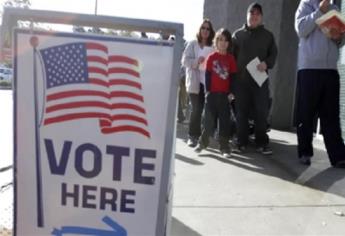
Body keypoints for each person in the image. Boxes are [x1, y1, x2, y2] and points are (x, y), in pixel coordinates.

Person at [294, 0, 345, 167]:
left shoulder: (335, 9)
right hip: (309, 68)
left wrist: (339, 38)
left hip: (330, 69)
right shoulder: (305, 5)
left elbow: (341, 40)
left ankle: (338, 156)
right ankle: (305, 152)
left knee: (331, 115)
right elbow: (301, 30)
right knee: (306, 113)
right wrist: (319, 12)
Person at [232, 2, 277, 155]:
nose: (254, 16)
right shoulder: (237, 35)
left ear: (261, 17)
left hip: (260, 81)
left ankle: (261, 143)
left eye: (257, 14)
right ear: (247, 15)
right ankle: (241, 142)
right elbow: (231, 59)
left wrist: (266, 63)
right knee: (241, 113)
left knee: (261, 112)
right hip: (241, 82)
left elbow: (273, 55)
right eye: (252, 13)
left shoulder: (268, 36)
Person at [195, 28, 237, 158]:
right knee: (208, 121)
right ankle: (203, 143)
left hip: (225, 97)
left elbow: (233, 78)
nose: (223, 43)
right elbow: (207, 76)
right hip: (212, 95)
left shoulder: (231, 59)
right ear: (216, 42)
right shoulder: (211, 58)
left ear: (229, 43)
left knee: (224, 123)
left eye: (226, 40)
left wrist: (231, 93)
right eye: (220, 40)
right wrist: (207, 92)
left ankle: (224, 147)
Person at [181, 19, 215, 147]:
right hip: (195, 82)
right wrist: (196, 61)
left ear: (210, 32)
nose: (205, 31)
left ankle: (202, 134)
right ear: (199, 30)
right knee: (196, 109)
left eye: (208, 29)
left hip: (207, 82)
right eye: (203, 28)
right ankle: (192, 136)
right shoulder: (192, 44)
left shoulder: (213, 47)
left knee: (206, 110)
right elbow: (184, 61)